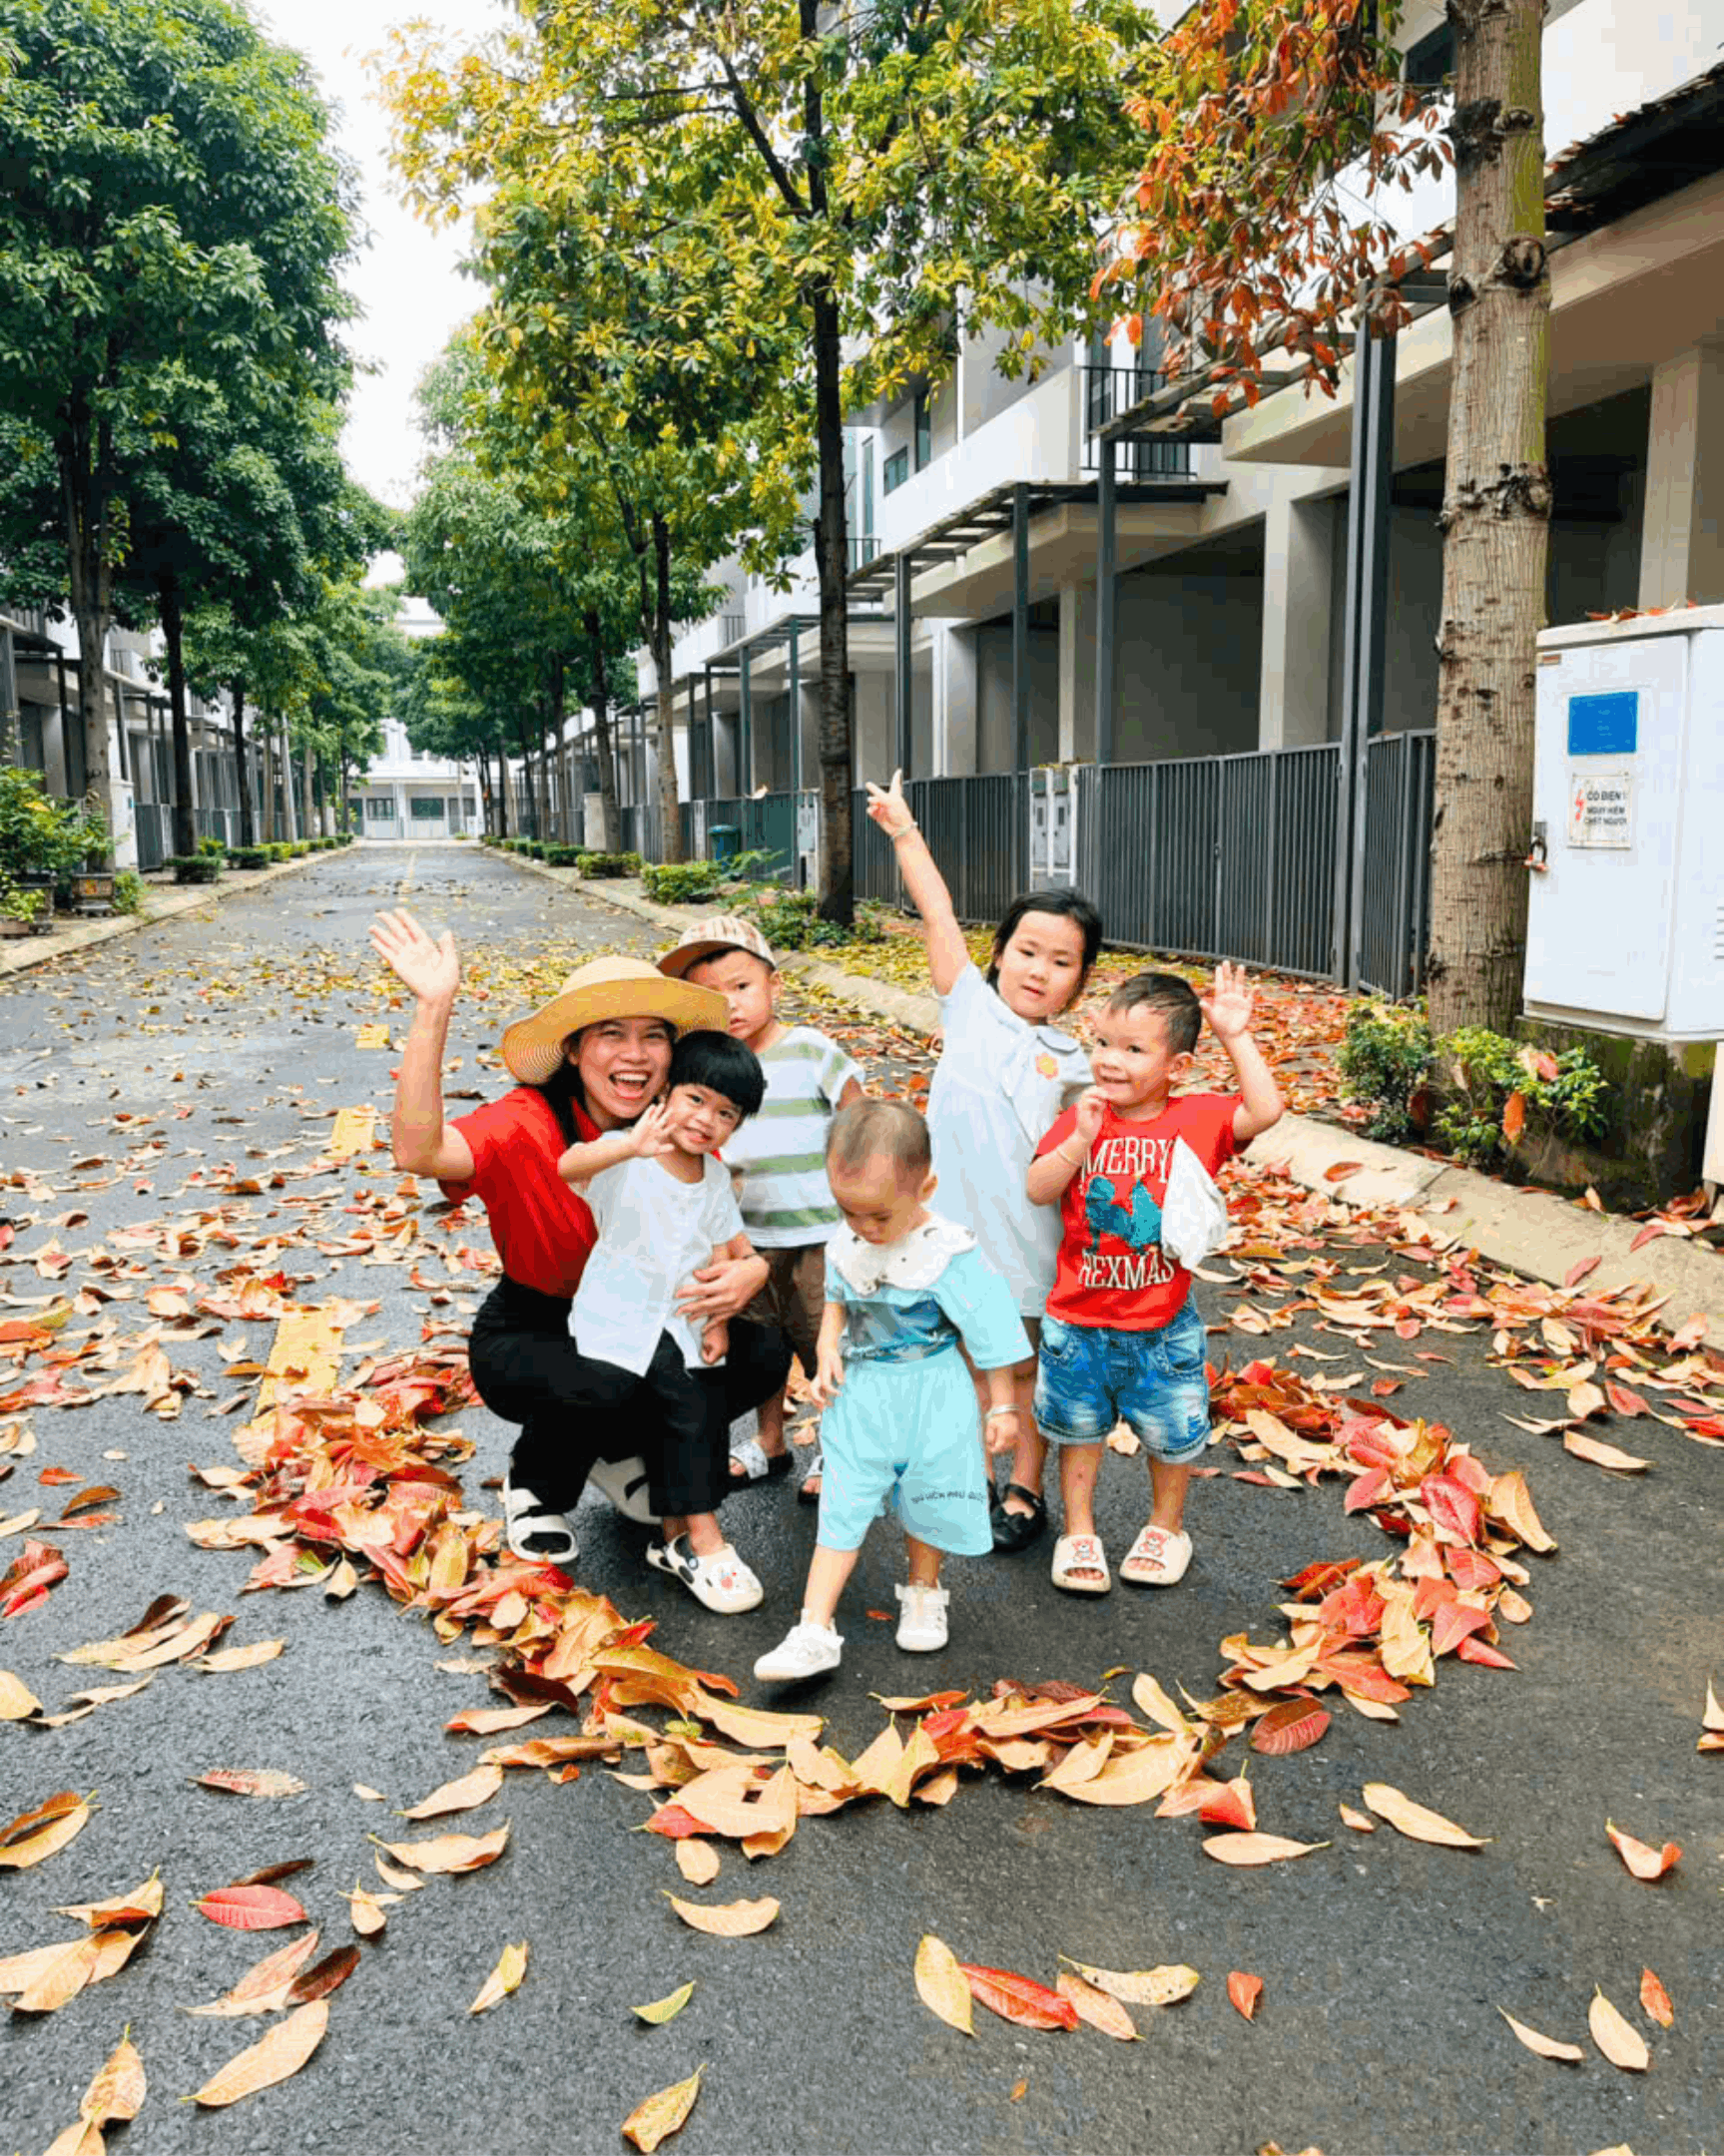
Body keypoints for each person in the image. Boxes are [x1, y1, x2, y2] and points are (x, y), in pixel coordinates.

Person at [367, 910, 791, 1582]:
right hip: (536, 1324)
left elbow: (713, 1230)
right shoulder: (524, 1123)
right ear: (572, 1050)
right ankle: (534, 1483)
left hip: (655, 1319)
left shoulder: (687, 1123)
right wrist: (434, 1006)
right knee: (608, 1375)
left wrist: (749, 1272)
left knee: (763, 1350)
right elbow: (417, 1152)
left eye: (653, 1037)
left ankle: (623, 1456)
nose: (634, 1054)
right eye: (610, 1035)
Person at [863, 770, 1100, 1556]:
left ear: (1078, 982)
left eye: (1060, 961)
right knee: (959, 1362)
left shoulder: (1072, 1060)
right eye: (1026, 950)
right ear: (999, 955)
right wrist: (903, 831)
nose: (1038, 969)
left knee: (1025, 1372)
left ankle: (1025, 1488)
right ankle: (958, 1474)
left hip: (1031, 1245)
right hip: (949, 1242)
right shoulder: (966, 1005)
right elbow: (934, 909)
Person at [1026, 965, 1284, 1593]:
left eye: (1134, 1049)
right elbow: (1037, 1189)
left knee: (1171, 1438)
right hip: (1076, 1321)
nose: (1111, 1061)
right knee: (1077, 1432)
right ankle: (1078, 1530)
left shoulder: (1196, 1120)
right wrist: (1077, 1142)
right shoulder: (1084, 1116)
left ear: (1178, 1066)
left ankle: (1167, 1528)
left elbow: (1266, 1110)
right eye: (1103, 1043)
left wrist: (1236, 1036)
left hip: (1161, 1326)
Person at [753, 1100, 1030, 1682]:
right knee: (843, 1499)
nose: (863, 1229)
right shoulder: (848, 1239)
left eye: (878, 1216)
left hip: (934, 1393)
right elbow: (837, 1298)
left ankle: (925, 1590)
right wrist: (827, 1347)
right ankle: (814, 1627)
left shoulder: (949, 1251)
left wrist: (1003, 1403)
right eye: (848, 1212)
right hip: (863, 1393)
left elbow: (990, 1329)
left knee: (929, 1493)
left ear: (924, 1185)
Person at [556, 1029, 767, 1612]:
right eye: (695, 1099)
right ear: (666, 1094)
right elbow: (568, 1165)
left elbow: (725, 1247)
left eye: (726, 1114)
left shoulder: (716, 1178)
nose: (706, 1120)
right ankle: (701, 1537)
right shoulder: (626, 1154)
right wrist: (629, 1145)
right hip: (618, 1323)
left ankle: (672, 1523)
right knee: (685, 1391)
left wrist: (724, 1316)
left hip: (683, 1321)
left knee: (757, 1356)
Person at [657, 916, 863, 1502]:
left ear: (774, 984)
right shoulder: (700, 1067)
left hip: (820, 1237)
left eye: (742, 986)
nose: (732, 1004)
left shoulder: (810, 1050)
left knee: (822, 1342)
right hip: (744, 1240)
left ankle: (836, 1444)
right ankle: (769, 1441)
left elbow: (859, 1116)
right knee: (760, 1349)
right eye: (712, 996)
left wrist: (864, 1202)